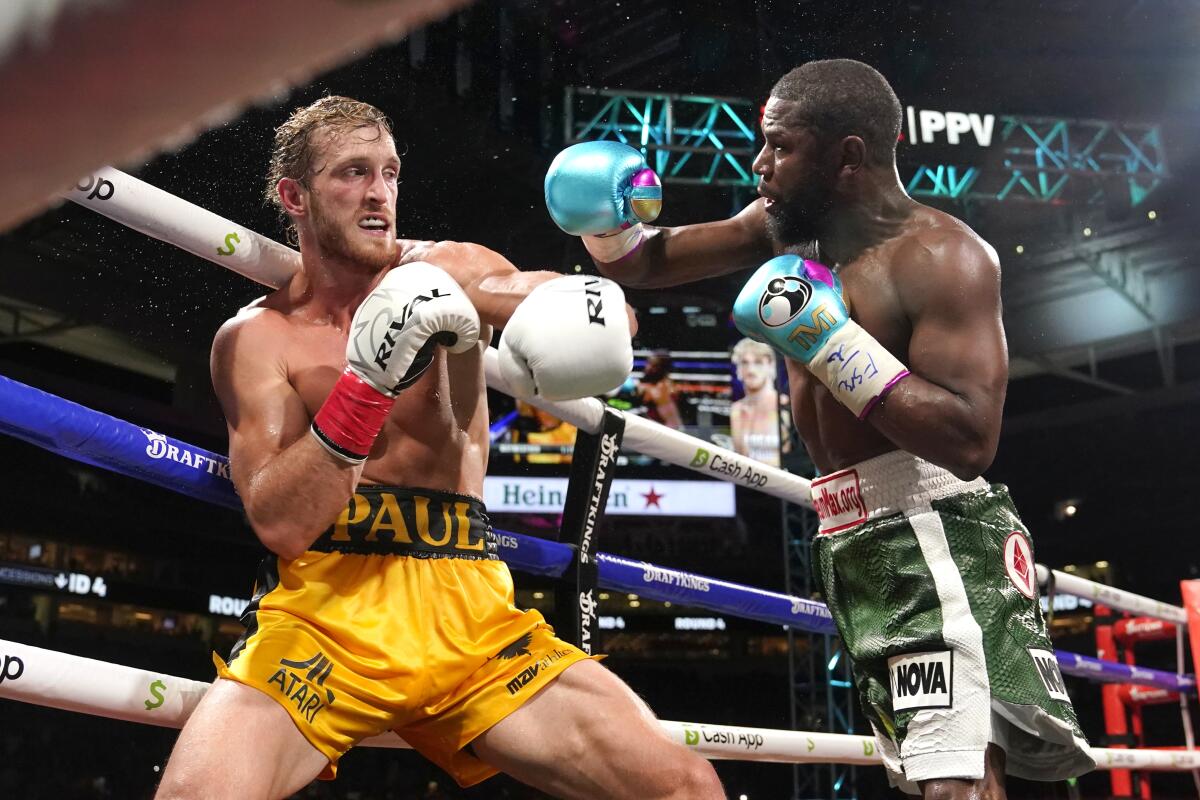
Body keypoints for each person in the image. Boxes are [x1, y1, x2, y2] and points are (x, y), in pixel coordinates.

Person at [545, 60, 1094, 798]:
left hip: (934, 529)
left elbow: (969, 441)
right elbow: (651, 263)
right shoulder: (783, 230)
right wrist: (608, 223)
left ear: (848, 157)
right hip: (850, 536)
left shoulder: (943, 257)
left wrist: (831, 343)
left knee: (952, 777)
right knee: (939, 772)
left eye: (781, 148)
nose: (759, 164)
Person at [155, 96, 723, 800]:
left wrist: (586, 307)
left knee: (684, 788)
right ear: (294, 196)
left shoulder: (445, 270)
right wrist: (368, 382)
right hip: (326, 620)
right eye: (353, 173)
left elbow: (546, 297)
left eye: (390, 173)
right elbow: (280, 521)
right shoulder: (256, 339)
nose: (378, 194)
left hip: (473, 618)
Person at [729, 338, 782, 466]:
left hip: (783, 482)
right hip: (748, 482)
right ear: (738, 368)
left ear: (770, 365)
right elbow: (739, 458)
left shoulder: (784, 405)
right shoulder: (736, 409)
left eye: (758, 362)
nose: (751, 370)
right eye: (745, 363)